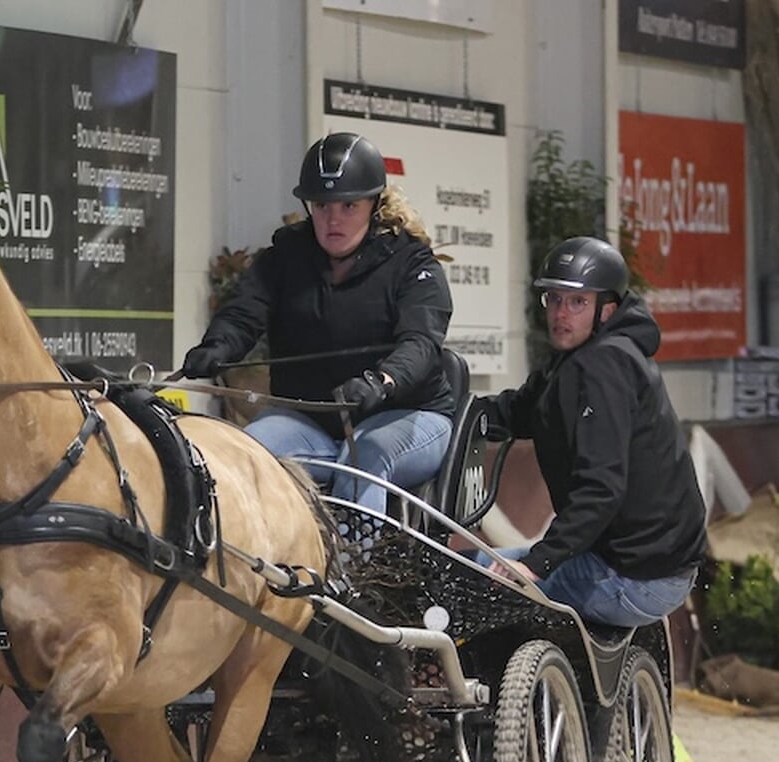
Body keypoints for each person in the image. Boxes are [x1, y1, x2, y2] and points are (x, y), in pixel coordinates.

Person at [180, 132, 455, 515]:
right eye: (322, 206)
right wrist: (217, 347)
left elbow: (421, 344)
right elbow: (243, 312)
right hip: (312, 420)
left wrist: (382, 381)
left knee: (364, 458)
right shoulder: (284, 257)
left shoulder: (412, 264)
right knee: (247, 451)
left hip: (409, 416)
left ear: (374, 205)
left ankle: (355, 569)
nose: (333, 219)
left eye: (348, 206)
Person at [476, 237, 707, 628]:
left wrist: (537, 564)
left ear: (607, 309)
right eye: (554, 299)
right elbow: (522, 411)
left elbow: (600, 489)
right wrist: (456, 414)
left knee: (480, 582)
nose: (561, 314)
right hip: (646, 565)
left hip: (634, 576)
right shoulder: (579, 360)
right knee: (482, 564)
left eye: (577, 302)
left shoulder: (602, 367)